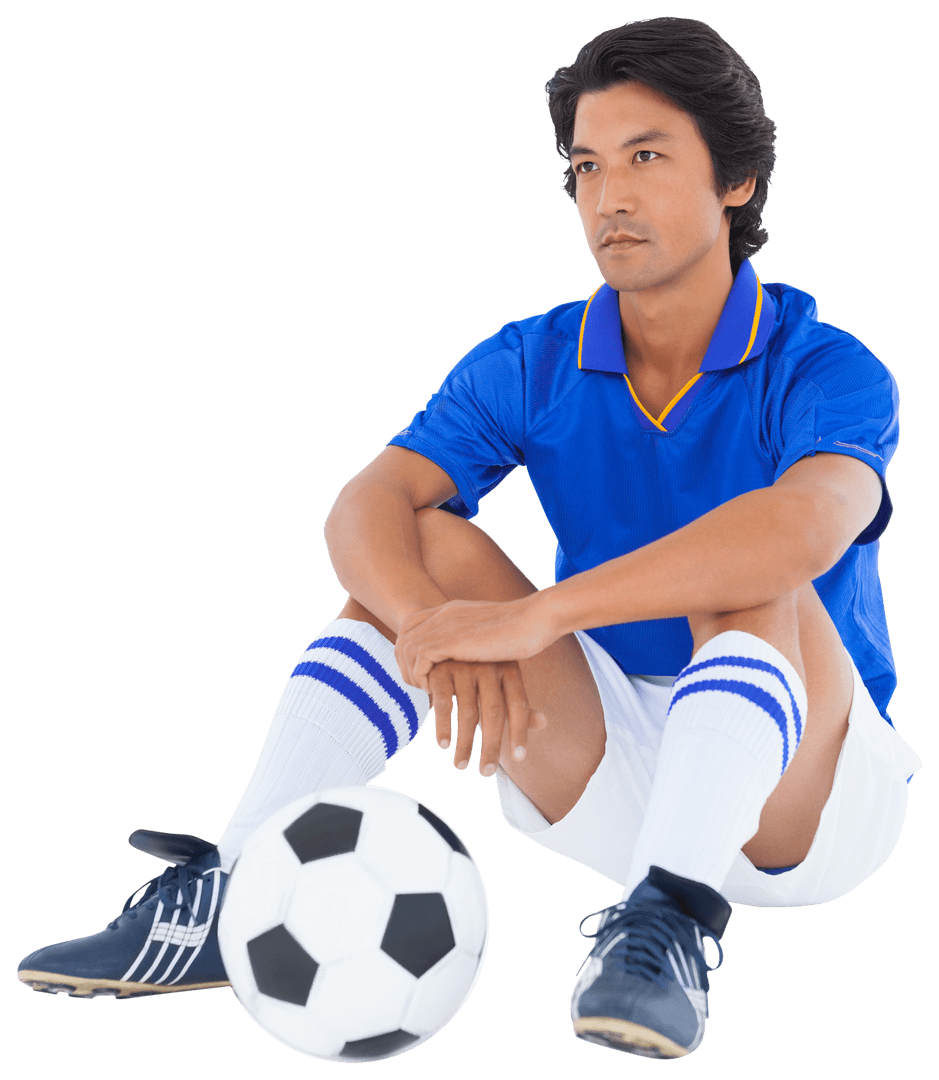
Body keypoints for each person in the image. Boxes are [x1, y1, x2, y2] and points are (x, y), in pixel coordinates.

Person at [16, 16, 922, 1059]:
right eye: (586, 166)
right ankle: (231, 885)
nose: (609, 196)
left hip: (804, 794)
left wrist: (533, 617)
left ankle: (672, 923)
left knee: (747, 572)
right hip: (612, 762)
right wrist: (429, 631)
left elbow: (802, 532)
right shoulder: (532, 358)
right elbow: (361, 506)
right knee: (427, 550)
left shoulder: (828, 367)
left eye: (647, 157)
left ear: (738, 181)